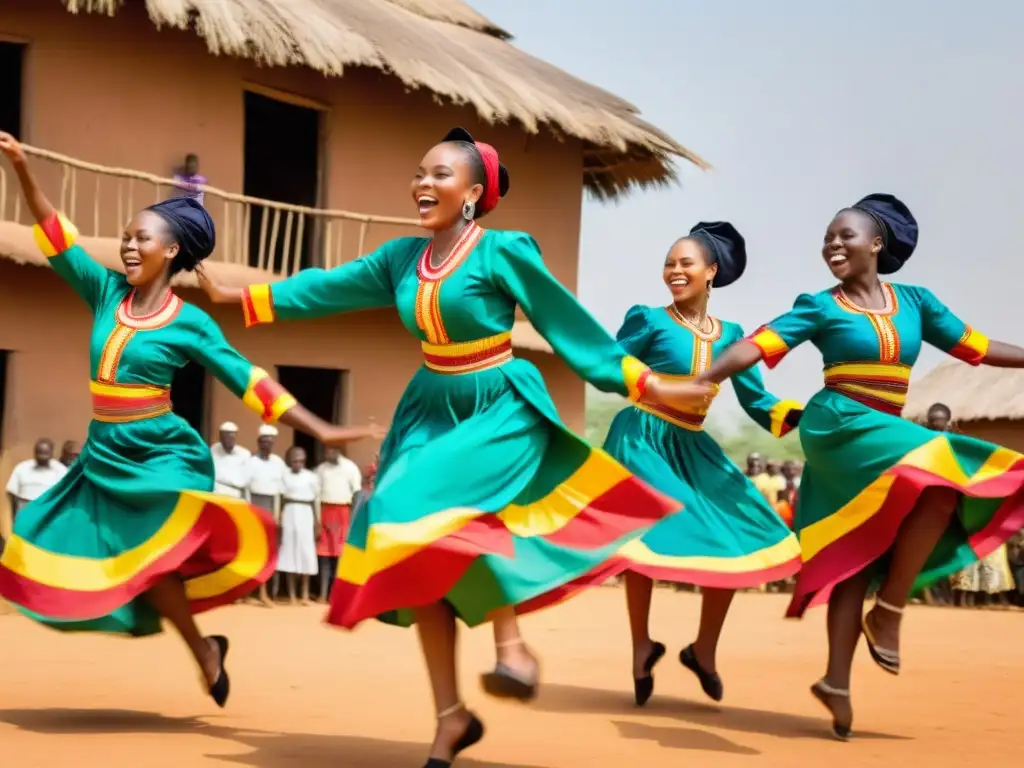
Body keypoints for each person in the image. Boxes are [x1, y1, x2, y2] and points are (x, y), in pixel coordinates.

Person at [199, 126, 713, 765]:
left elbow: (568, 327)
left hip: (499, 402)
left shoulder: (502, 252)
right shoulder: (399, 260)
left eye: (439, 174)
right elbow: (325, 287)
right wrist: (238, 295)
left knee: (460, 515)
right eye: (419, 172)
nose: (422, 183)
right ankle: (451, 716)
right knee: (405, 534)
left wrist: (650, 383)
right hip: (431, 407)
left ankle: (511, 647)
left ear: (472, 193)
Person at [0, 132, 383, 708]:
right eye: (126, 237)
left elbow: (246, 379)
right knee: (73, 549)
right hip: (106, 452)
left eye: (140, 238)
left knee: (160, 553)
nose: (128, 246)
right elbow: (55, 235)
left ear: (172, 250)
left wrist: (320, 428)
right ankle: (205, 651)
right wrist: (23, 168)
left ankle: (203, 649)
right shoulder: (103, 291)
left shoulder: (192, 323)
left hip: (160, 450)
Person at [695, 192, 1024, 740]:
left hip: (886, 433)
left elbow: (980, 347)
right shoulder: (819, 305)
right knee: (941, 462)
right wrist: (703, 378)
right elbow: (757, 346)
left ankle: (837, 681)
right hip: (840, 425)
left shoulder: (917, 302)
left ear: (877, 243)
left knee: (869, 544)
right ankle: (889, 614)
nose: (832, 245)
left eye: (844, 235)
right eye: (826, 237)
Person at [601, 222, 802, 707]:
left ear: (711, 272)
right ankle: (639, 647)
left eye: (685, 262)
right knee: (647, 534)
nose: (674, 270)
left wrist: (800, 414)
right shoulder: (647, 319)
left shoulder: (733, 336)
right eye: (669, 262)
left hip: (691, 444)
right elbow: (608, 366)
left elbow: (757, 400)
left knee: (735, 535)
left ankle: (703, 650)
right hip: (642, 436)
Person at [315, 445, 362, 602]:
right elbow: (316, 495)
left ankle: (336, 595)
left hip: (343, 512)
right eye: (326, 450)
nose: (328, 452)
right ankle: (322, 594)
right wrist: (318, 519)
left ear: (339, 450)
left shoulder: (350, 467)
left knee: (340, 556)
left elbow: (356, 494)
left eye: (331, 450)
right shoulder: (320, 469)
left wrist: (352, 519)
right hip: (325, 510)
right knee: (324, 555)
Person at [247, 424, 288, 606]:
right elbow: (246, 488)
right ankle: (247, 593)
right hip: (254, 505)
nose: (267, 445)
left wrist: (278, 514)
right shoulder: (250, 462)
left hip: (271, 506)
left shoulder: (279, 463)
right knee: (252, 551)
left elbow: (280, 491)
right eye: (264, 442)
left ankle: (264, 593)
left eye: (270, 442)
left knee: (268, 551)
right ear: (258, 442)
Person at [278, 445, 321, 605]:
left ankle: (304, 594)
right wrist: (279, 517)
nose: (298, 464)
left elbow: (316, 500)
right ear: (290, 461)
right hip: (290, 511)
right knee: (290, 551)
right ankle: (292, 595)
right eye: (295, 461)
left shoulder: (311, 476)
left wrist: (318, 521)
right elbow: (280, 498)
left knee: (306, 552)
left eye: (301, 461)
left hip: (306, 513)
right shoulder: (285, 476)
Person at [5, 438, 67, 519]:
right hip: (26, 509)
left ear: (52, 453)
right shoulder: (22, 468)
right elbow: (12, 493)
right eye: (39, 453)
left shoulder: (61, 470)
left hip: (49, 510)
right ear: (34, 453)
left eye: (46, 453)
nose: (42, 457)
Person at [210, 421, 251, 499]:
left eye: (232, 437)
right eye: (226, 437)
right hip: (217, 492)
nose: (229, 440)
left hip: (236, 494)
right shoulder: (213, 450)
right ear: (220, 437)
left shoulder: (244, 454)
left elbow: (247, 480)